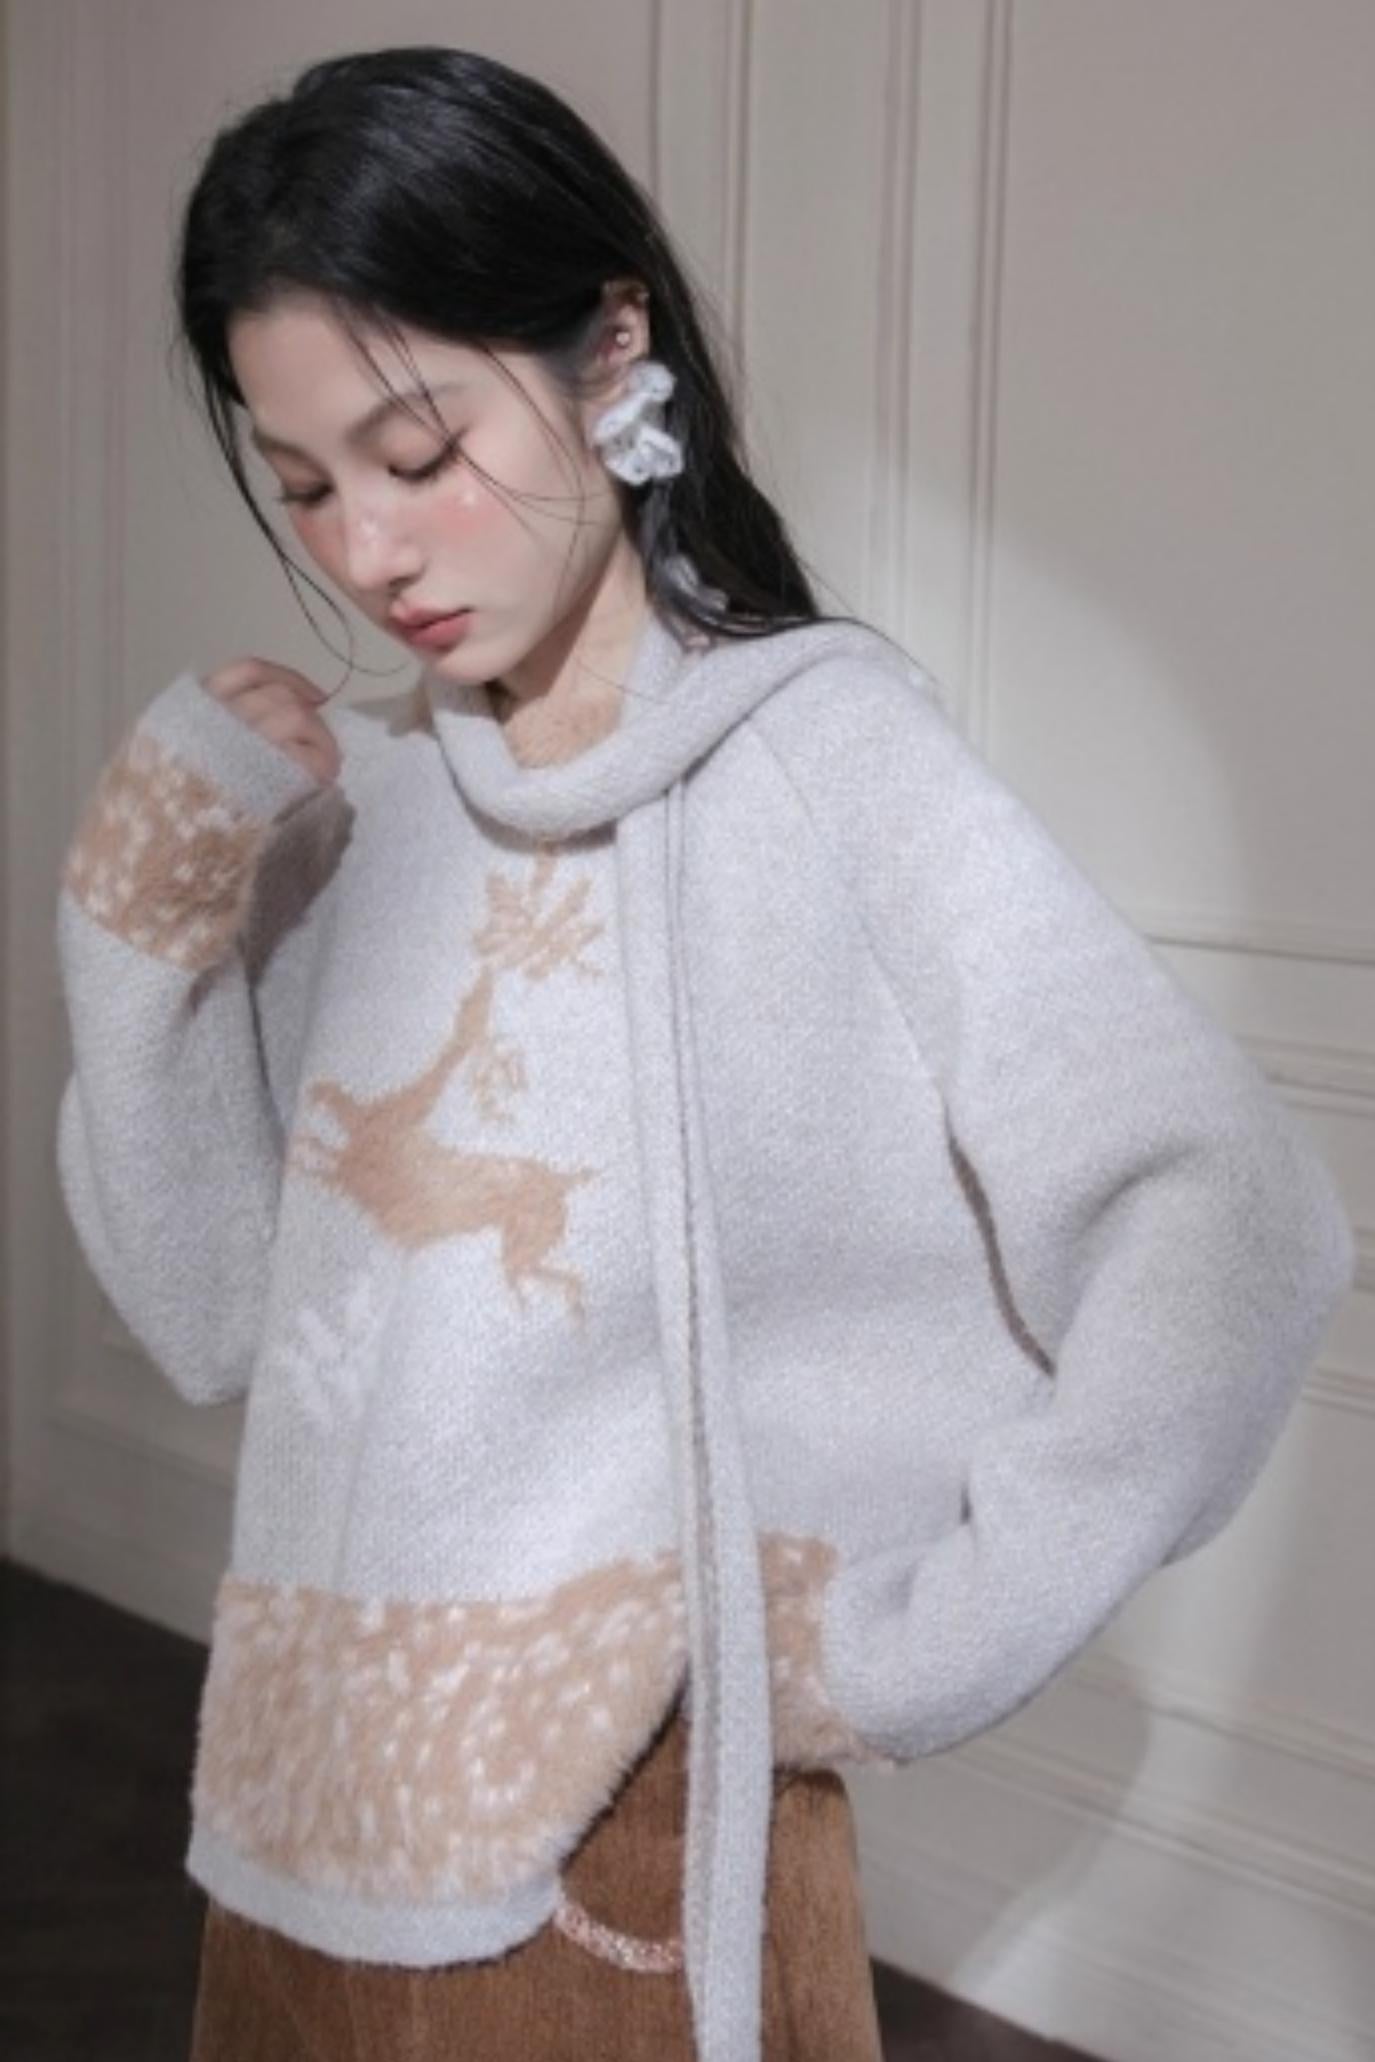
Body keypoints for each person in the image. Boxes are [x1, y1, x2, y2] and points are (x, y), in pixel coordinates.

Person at [52, 44, 1355, 2062]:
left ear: (609, 352)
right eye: (305, 484)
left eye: (418, 448)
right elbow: (211, 1311)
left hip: (626, 1879)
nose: (367, 550)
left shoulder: (828, 757)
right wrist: (136, 936)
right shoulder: (360, 811)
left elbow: (1233, 1218)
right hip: (286, 1851)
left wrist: (925, 1644)